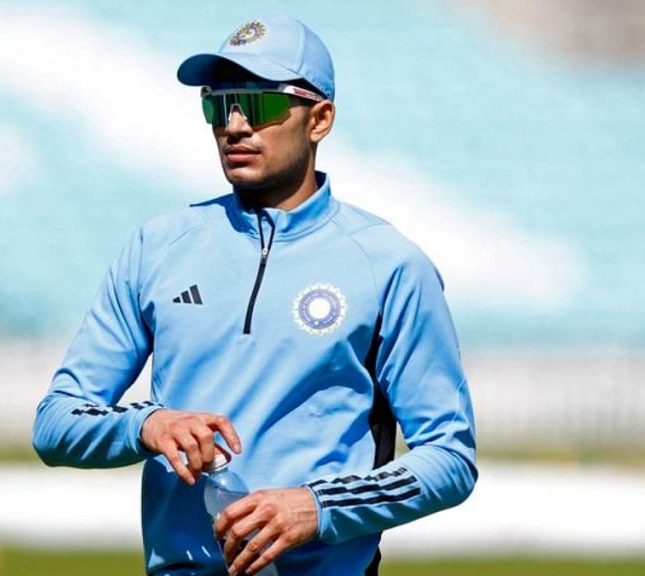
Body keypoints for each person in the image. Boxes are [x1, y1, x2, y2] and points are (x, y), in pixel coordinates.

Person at [32, 15, 477, 576]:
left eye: (260, 105)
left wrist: (316, 508)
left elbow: (450, 459)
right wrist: (146, 425)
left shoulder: (389, 265)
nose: (235, 125)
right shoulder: (157, 247)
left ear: (320, 119)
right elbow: (56, 424)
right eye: (219, 105)